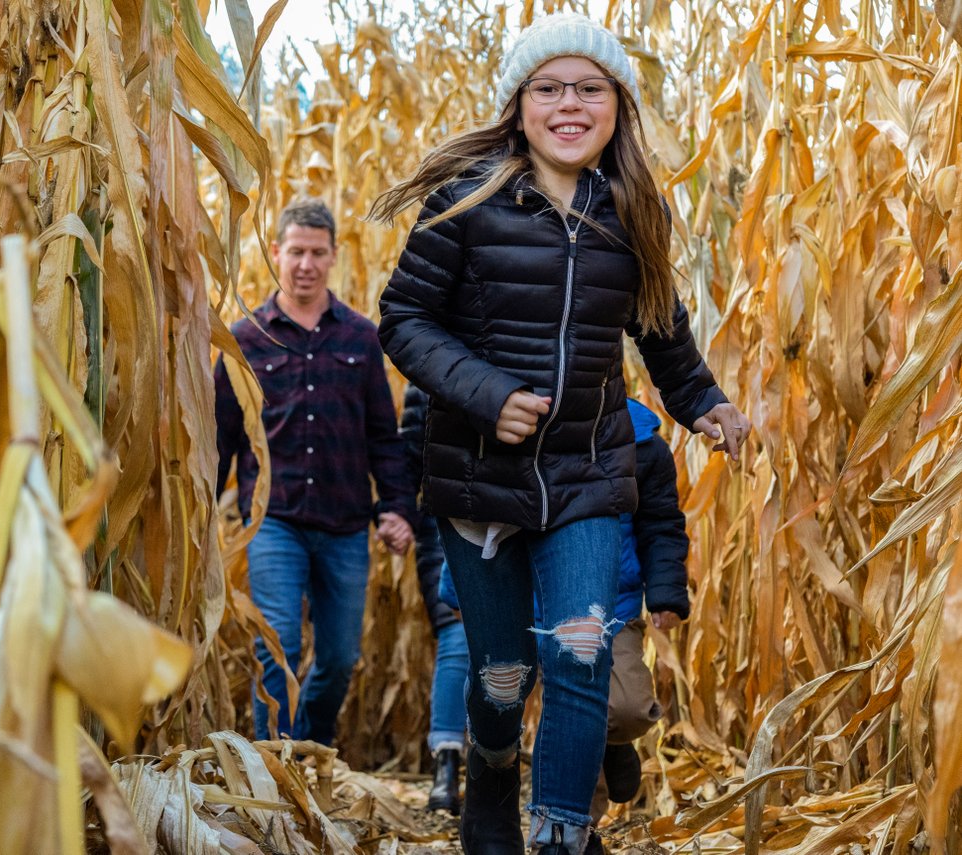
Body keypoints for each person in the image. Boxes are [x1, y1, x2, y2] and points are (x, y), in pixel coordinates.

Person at [372, 12, 751, 855]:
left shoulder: (632, 212)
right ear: (519, 103)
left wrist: (710, 407)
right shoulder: (465, 199)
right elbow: (403, 319)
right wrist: (488, 393)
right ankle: (492, 775)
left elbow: (663, 338)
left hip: (587, 476)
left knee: (580, 662)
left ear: (617, 104)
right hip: (478, 480)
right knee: (503, 678)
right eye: (549, 88)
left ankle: (560, 834)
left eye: (590, 87)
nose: (569, 104)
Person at [426, 397, 692, 855]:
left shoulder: (645, 446)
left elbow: (661, 524)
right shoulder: (520, 429)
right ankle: (574, 829)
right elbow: (479, 516)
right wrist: (459, 591)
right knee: (522, 692)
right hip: (521, 602)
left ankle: (608, 747)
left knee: (624, 707)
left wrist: (666, 592)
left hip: (611, 605)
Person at [214, 196, 417, 746]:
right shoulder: (245, 338)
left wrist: (396, 509)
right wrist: (202, 511)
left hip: (345, 525)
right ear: (276, 253)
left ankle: (312, 748)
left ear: (333, 258)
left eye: (318, 253)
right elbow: (222, 438)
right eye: (296, 252)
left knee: (340, 656)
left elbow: (383, 435)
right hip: (273, 520)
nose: (306, 264)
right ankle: (274, 775)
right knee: (276, 643)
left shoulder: (360, 337)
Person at [400, 383, 469, 814]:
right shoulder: (427, 367)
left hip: (521, 515)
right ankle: (447, 766)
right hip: (445, 524)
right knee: (457, 635)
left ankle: (490, 764)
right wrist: (398, 514)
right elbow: (408, 459)